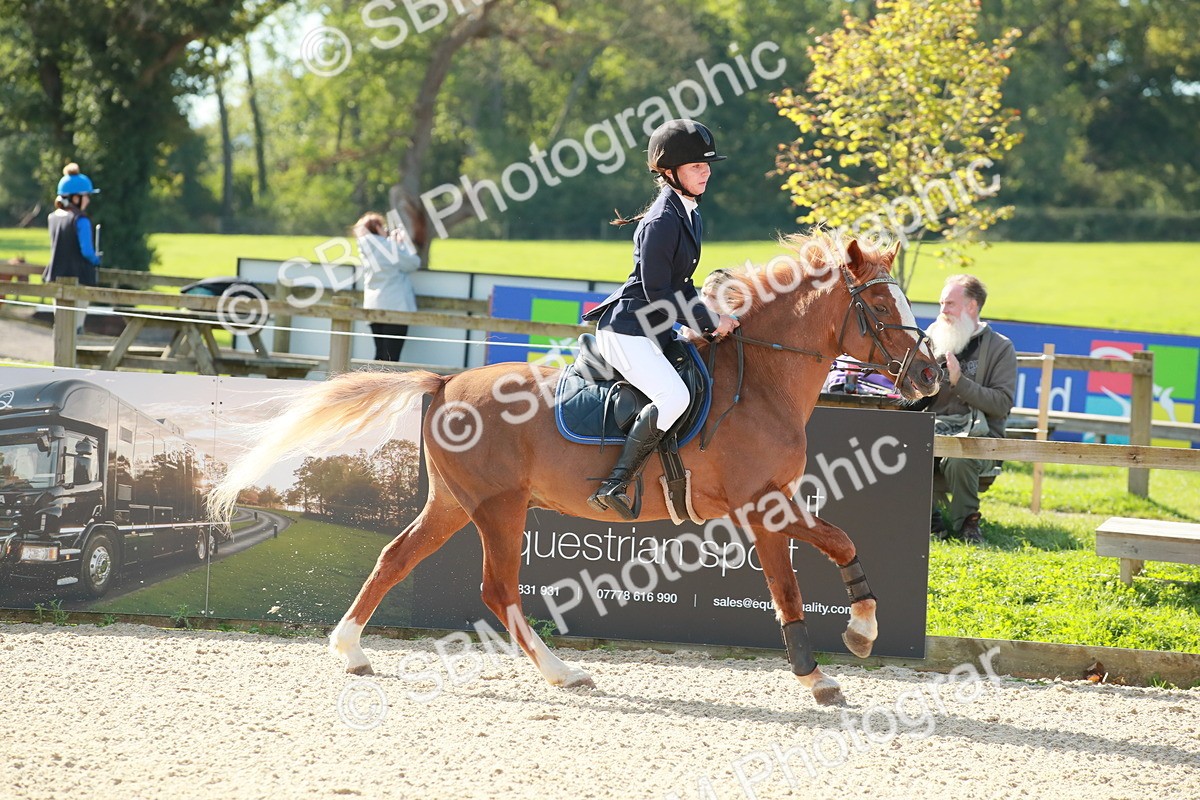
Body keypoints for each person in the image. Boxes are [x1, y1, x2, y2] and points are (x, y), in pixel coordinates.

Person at [581, 119, 739, 518]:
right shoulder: (661, 221)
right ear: (669, 173)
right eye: (695, 166)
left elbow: (682, 284)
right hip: (629, 331)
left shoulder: (689, 214)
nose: (705, 171)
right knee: (675, 396)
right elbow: (658, 291)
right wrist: (707, 323)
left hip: (655, 330)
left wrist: (710, 316)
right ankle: (615, 483)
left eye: (707, 165)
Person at [921, 274, 1017, 543]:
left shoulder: (1000, 347)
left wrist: (958, 382)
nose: (943, 311)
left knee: (959, 457)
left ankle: (967, 526)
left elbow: (1001, 404)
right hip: (933, 431)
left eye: (950, 304)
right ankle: (928, 521)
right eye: (941, 303)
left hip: (982, 439)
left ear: (972, 306)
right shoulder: (932, 339)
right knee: (905, 449)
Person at [354, 212, 421, 362]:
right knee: (391, 357)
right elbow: (413, 263)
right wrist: (402, 244)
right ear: (377, 227)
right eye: (383, 226)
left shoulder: (364, 248)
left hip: (373, 306)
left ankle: (372, 385)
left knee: (380, 354)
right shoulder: (389, 247)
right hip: (395, 307)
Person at [46, 163, 101, 332]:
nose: (88, 200)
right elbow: (87, 251)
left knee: (61, 324)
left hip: (56, 276)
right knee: (76, 327)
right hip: (79, 278)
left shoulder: (52, 218)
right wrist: (97, 258)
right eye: (86, 196)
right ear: (75, 197)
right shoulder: (81, 220)